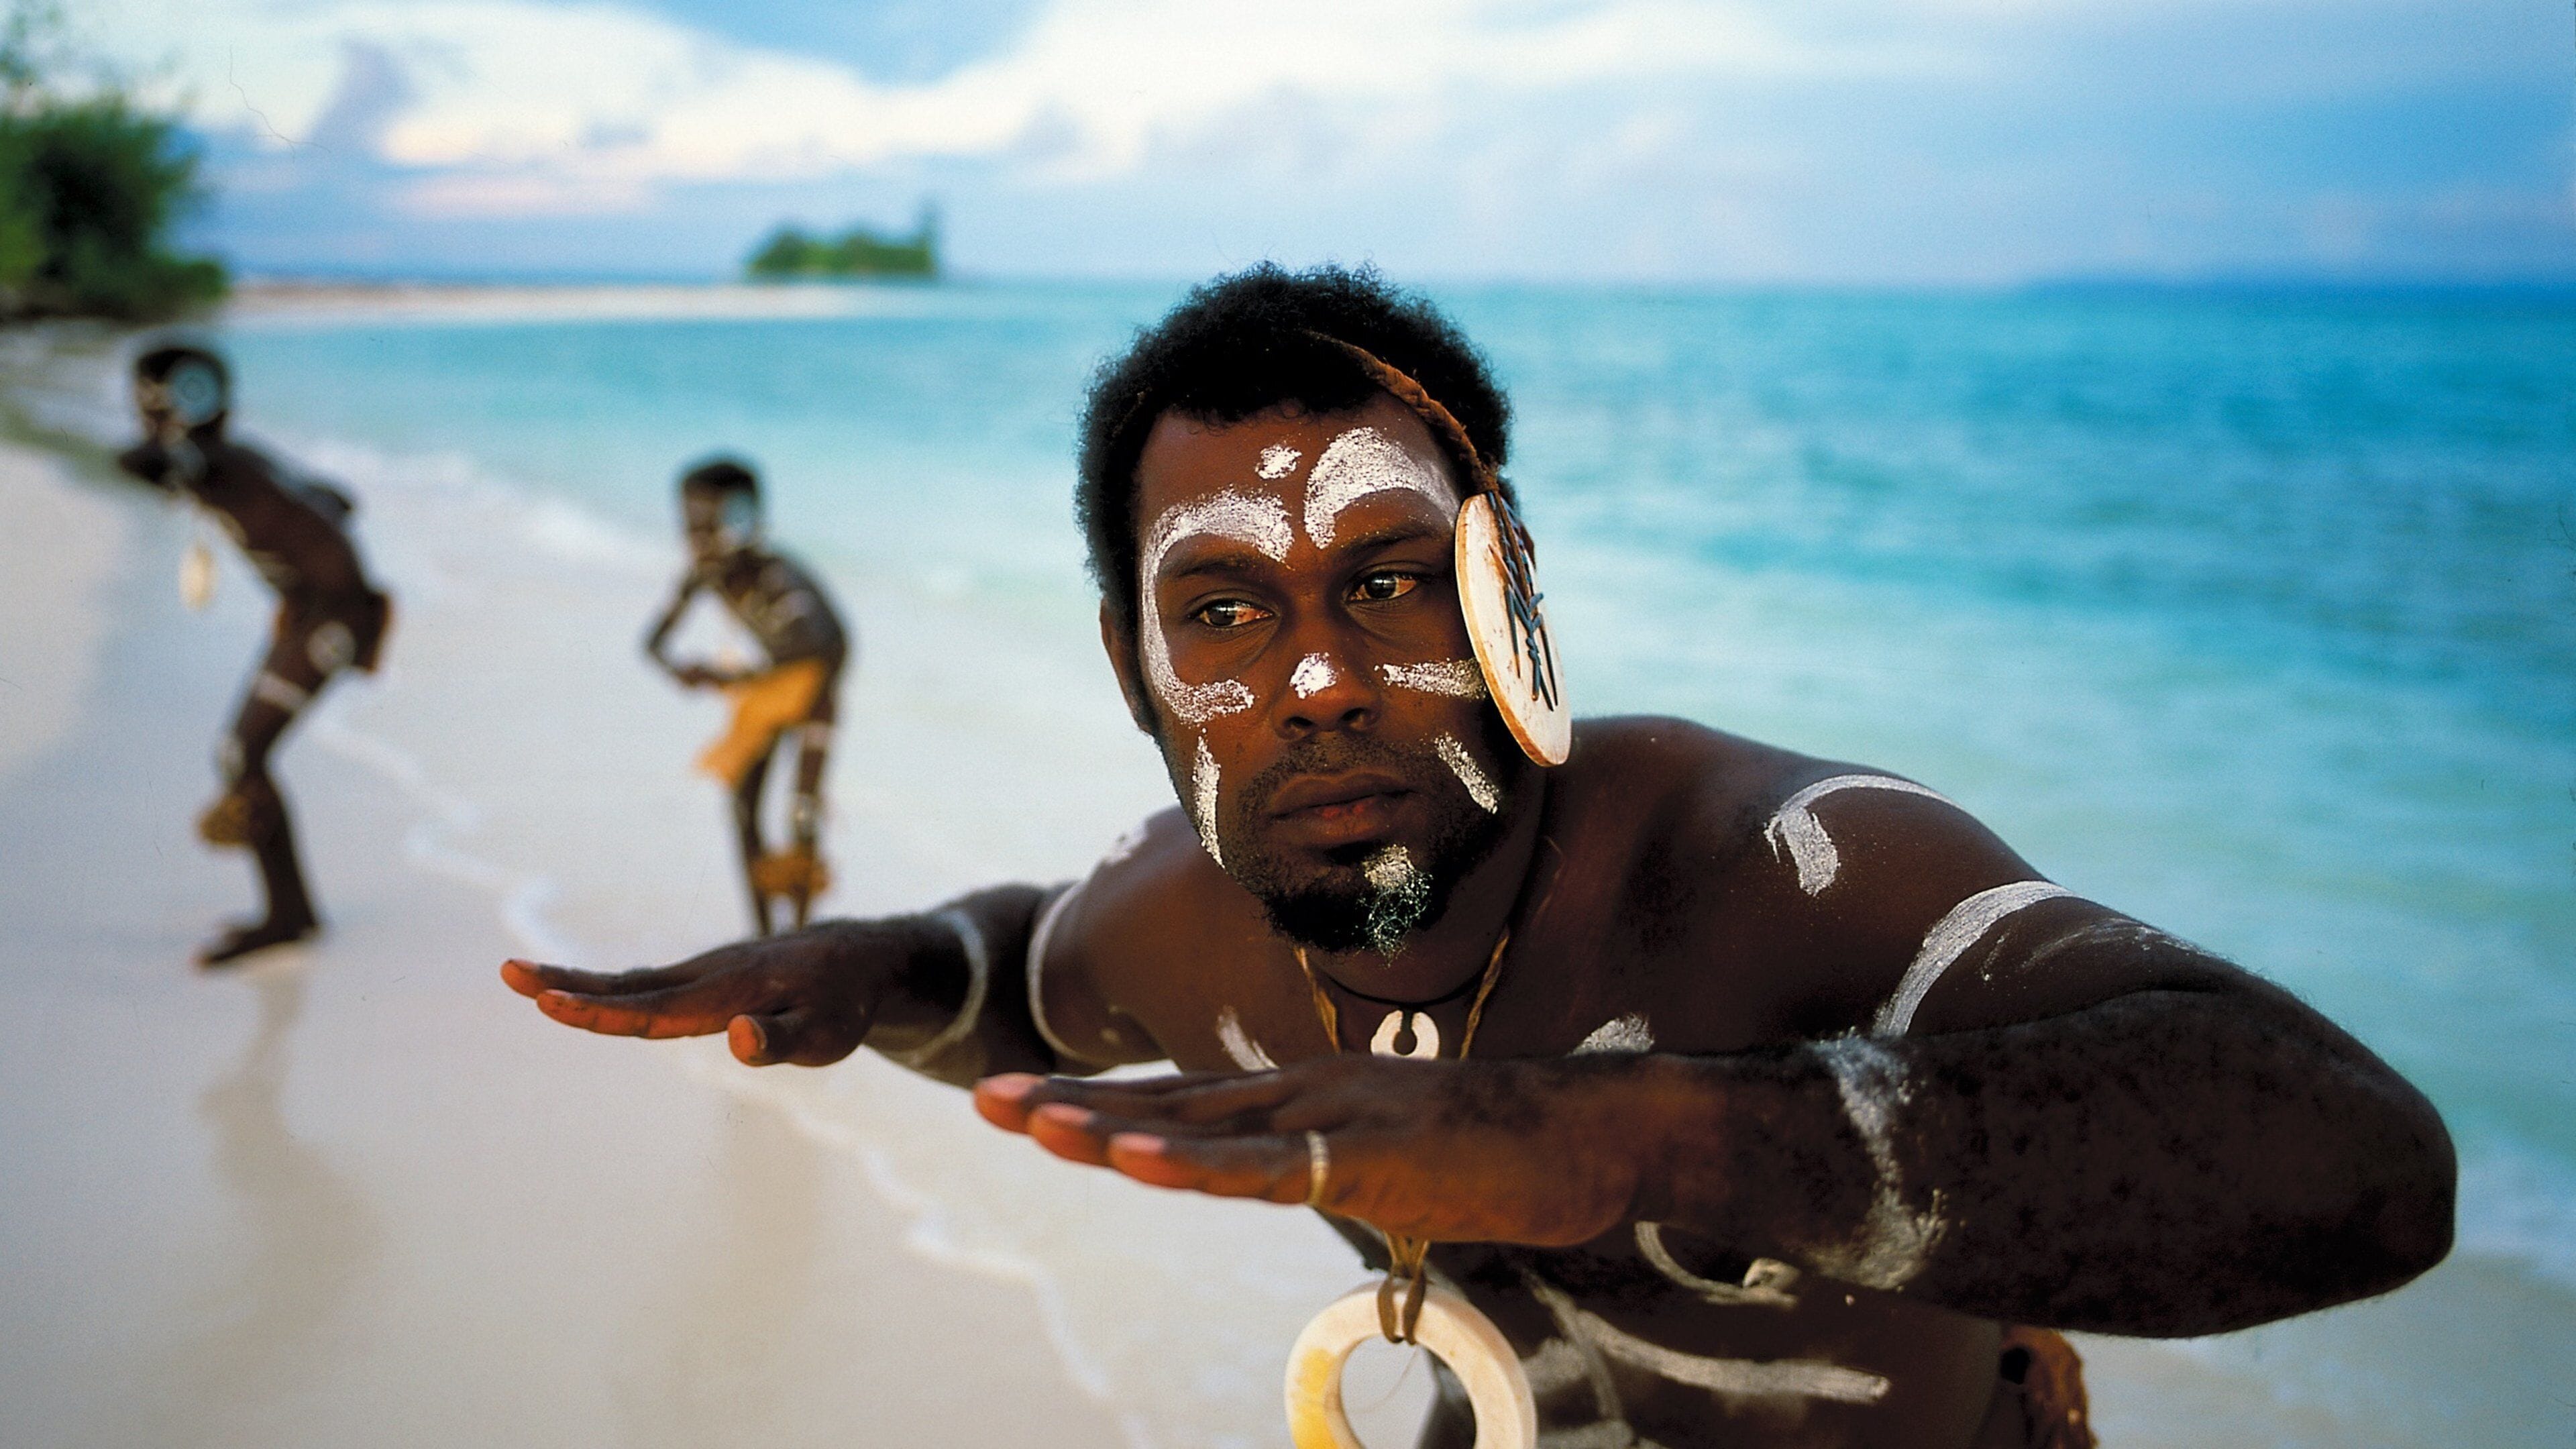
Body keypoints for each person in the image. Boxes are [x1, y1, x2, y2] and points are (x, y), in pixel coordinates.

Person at [506, 268, 2453, 1448]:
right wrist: (876, 967)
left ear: (1507, 597)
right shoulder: (1194, 929)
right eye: (1229, 618)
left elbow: (2362, 1167)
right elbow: (1028, 980)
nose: (1323, 680)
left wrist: (1638, 1138)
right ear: (1137, 672)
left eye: (1383, 581)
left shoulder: (1776, 872)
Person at [118, 344, 393, 967]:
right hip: (320, 611)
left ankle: (289, 915)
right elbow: (341, 500)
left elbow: (142, 462)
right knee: (244, 754)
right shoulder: (242, 457)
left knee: (244, 754)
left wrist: (178, 444)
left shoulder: (211, 462)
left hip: (332, 619)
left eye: (142, 399)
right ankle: (289, 910)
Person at [642, 458, 850, 936]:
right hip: (767, 691)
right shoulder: (706, 574)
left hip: (815, 690)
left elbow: (821, 645)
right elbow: (652, 642)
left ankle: (796, 939)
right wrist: (685, 671)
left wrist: (723, 676)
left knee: (802, 810)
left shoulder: (778, 579)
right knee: (741, 805)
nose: (700, 539)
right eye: (692, 525)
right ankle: (762, 937)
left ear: (748, 522)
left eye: (711, 525)